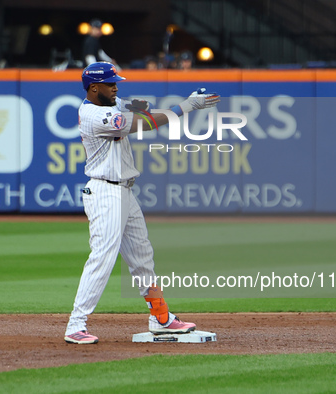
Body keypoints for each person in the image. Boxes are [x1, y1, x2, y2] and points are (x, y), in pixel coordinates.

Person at [64, 61, 220, 344]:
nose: (115, 87)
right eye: (111, 83)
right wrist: (185, 107)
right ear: (94, 88)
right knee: (103, 256)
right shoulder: (93, 116)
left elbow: (133, 105)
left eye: (116, 82)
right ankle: (76, 324)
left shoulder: (111, 102)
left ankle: (161, 318)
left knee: (142, 258)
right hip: (105, 192)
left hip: (124, 191)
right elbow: (143, 124)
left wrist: (140, 103)